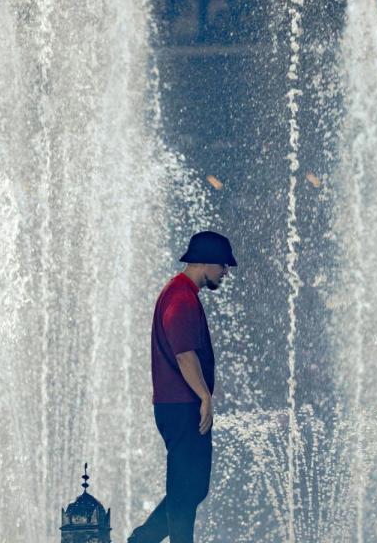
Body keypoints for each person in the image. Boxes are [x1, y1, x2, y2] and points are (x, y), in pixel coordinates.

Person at [127, 231, 237, 543]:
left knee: (193, 487)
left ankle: (141, 541)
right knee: (184, 488)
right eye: (223, 265)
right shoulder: (181, 297)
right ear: (205, 261)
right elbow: (184, 354)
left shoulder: (181, 293)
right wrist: (204, 396)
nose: (225, 272)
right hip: (182, 407)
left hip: (178, 405)